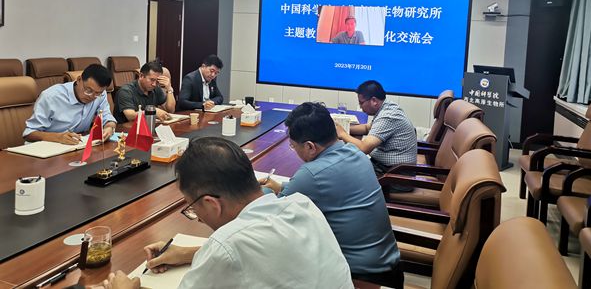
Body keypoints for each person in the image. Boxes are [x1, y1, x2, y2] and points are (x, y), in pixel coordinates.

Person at [100, 137, 353, 289]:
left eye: (192, 207)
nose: (198, 217)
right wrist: (191, 253)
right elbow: (263, 252)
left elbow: (234, 249)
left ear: (212, 204)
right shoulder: (301, 204)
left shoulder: (226, 245)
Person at [260, 102, 402, 287]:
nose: (294, 151)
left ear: (310, 147)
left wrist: (259, 189)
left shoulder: (311, 174)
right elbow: (329, 189)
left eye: (293, 146)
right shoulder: (355, 152)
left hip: (358, 276)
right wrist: (282, 186)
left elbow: (271, 213)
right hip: (389, 267)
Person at [336, 80, 417, 176]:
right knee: (347, 164)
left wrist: (342, 134)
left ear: (374, 101)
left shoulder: (388, 116)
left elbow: (363, 148)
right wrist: (341, 128)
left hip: (394, 174)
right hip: (385, 167)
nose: (360, 107)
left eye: (361, 103)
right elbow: (367, 128)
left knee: (342, 171)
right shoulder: (387, 107)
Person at [23, 64, 117, 144]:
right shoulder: (51, 97)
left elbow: (107, 117)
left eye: (97, 93)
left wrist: (109, 128)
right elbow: (29, 133)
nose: (92, 96)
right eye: (88, 90)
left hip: (76, 146)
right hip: (47, 148)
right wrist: (58, 137)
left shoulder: (100, 95)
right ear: (79, 80)